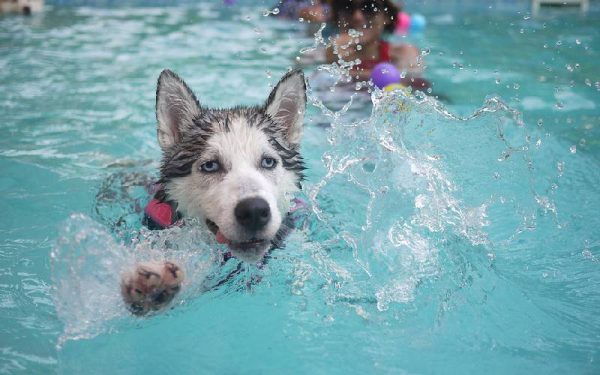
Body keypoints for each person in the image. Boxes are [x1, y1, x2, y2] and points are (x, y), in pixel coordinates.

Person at [326, 0, 430, 90]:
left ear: (386, 17)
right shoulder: (327, 53)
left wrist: (341, 73)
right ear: (337, 16)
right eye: (347, 7)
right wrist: (331, 59)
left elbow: (411, 82)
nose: (357, 17)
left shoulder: (403, 53)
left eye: (369, 7)